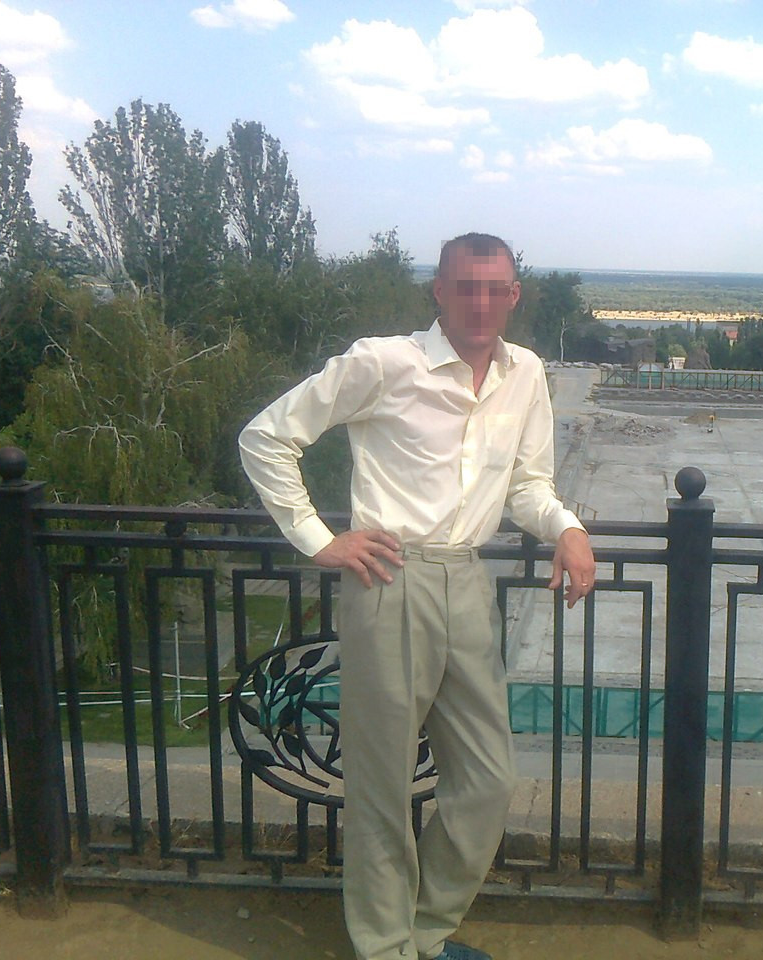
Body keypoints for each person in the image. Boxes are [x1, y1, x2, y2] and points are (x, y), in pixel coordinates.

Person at [239, 232, 596, 960]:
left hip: (467, 580)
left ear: (513, 295)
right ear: (438, 290)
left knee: (488, 779)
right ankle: (386, 947)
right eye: (465, 287)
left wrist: (568, 528)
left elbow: (528, 485)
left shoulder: (525, 373)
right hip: (389, 580)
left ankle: (425, 934)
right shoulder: (384, 362)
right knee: (381, 785)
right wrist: (319, 539)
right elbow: (267, 437)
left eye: (495, 289)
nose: (480, 303)